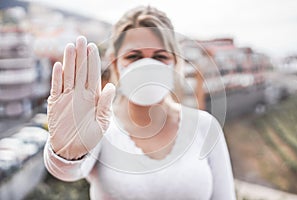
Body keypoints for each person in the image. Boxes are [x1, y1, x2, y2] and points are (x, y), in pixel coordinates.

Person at [44, 6, 236, 200]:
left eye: (160, 57)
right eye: (133, 57)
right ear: (115, 63)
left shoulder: (204, 126)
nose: (147, 66)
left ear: (176, 62)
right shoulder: (99, 125)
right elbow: (68, 171)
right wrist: (64, 152)